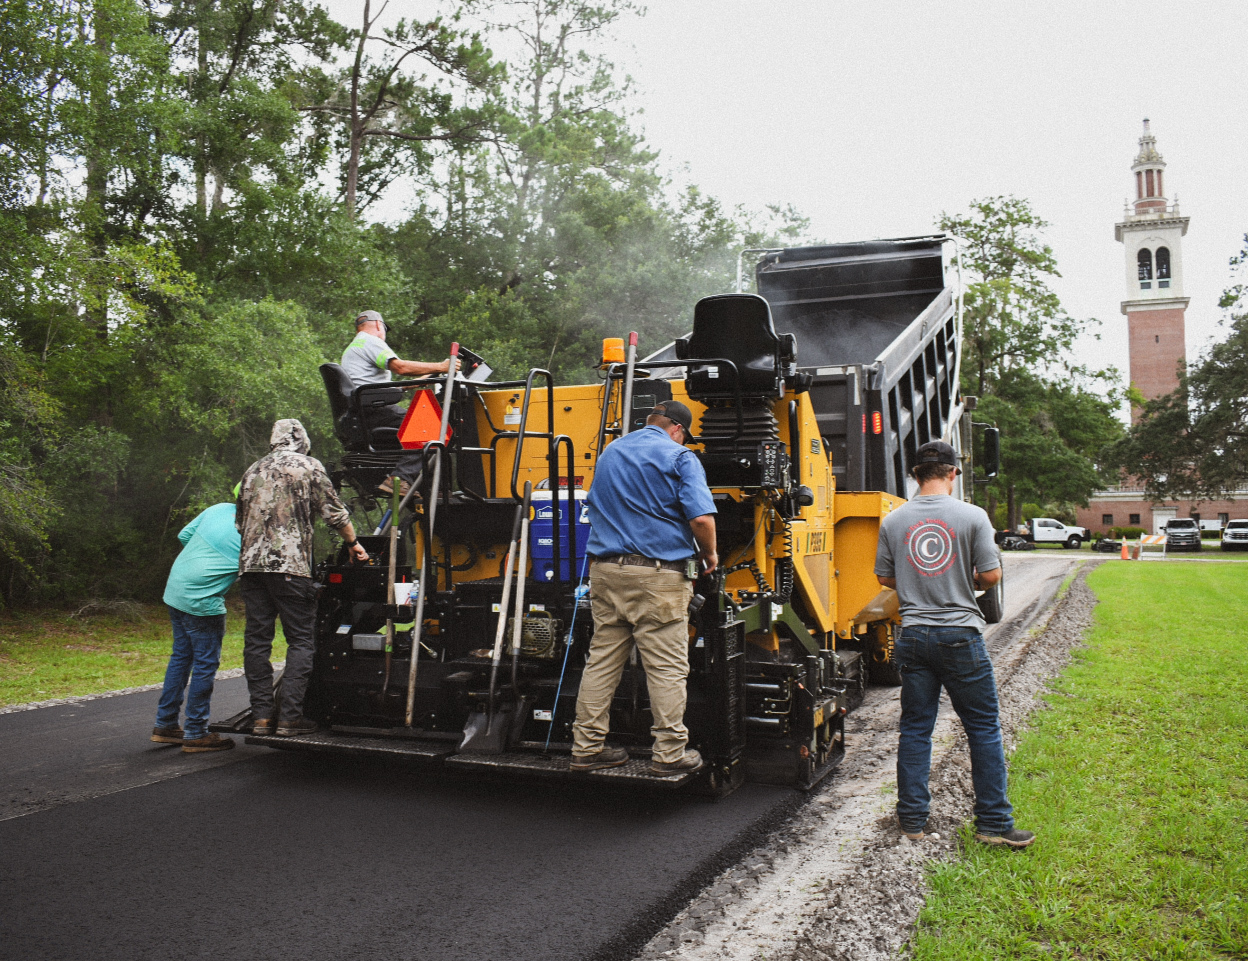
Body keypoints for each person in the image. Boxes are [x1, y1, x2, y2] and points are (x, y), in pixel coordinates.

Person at [874, 440, 1034, 849]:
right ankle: (994, 825)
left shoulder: (894, 521)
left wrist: (917, 582)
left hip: (912, 636)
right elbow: (992, 575)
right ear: (953, 473)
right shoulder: (973, 516)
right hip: (960, 635)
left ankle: (911, 822)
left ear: (914, 474)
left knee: (915, 730)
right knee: (982, 728)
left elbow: (885, 579)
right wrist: (966, 579)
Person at [570, 400, 718, 776]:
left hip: (604, 570)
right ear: (678, 429)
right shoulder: (680, 456)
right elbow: (701, 518)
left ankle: (586, 748)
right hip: (658, 576)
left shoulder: (610, 452)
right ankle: (669, 755)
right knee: (667, 668)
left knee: (602, 660)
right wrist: (709, 555)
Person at [236, 419, 369, 737]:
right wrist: (353, 544)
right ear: (301, 439)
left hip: (251, 569)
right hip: (289, 568)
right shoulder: (308, 465)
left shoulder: (252, 470)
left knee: (257, 642)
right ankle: (290, 718)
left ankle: (262, 717)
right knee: (300, 642)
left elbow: (240, 522)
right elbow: (333, 512)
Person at [150, 500, 242, 753]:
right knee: (204, 664)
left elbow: (184, 535)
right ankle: (195, 733)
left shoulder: (218, 509)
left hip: (177, 588)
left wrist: (202, 559)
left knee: (181, 656)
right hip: (202, 602)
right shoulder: (253, 529)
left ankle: (165, 724)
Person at [341, 309, 453, 496]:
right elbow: (400, 367)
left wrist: (425, 378)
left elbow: (375, 387)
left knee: (429, 427)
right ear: (378, 325)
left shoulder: (355, 347)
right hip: (374, 411)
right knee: (432, 427)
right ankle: (400, 479)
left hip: (365, 411)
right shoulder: (370, 341)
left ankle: (431, 489)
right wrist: (441, 366)